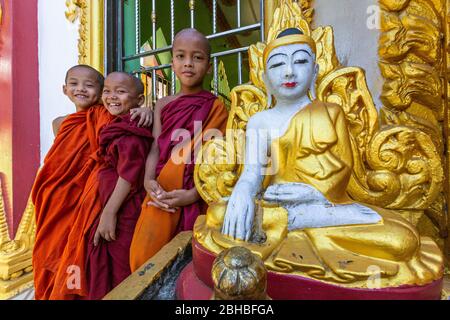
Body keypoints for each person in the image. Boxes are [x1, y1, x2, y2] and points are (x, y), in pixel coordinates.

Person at [195, 28, 443, 288]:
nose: (289, 71)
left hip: (324, 207)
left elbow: (344, 167)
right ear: (265, 78)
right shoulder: (260, 121)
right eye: (278, 64)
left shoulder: (332, 112)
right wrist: (243, 193)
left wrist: (313, 194)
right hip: (275, 205)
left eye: (300, 61)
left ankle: (287, 228)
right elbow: (253, 173)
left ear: (314, 71)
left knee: (403, 239)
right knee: (217, 214)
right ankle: (287, 225)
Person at [31, 65, 151, 300]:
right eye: (74, 84)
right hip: (56, 200)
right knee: (50, 250)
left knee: (81, 254)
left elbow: (129, 123)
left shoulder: (106, 115)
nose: (81, 89)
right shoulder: (60, 123)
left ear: (98, 91)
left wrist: (149, 111)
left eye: (89, 85)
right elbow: (61, 163)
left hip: (87, 200)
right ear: (65, 89)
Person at [129, 28, 229, 272]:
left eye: (197, 57)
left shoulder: (217, 107)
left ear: (208, 66)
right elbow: (155, 147)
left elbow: (221, 163)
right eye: (181, 56)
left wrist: (194, 194)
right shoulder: (163, 104)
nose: (188, 64)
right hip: (161, 189)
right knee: (145, 257)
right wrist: (148, 181)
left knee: (190, 263)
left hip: (197, 193)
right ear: (172, 62)